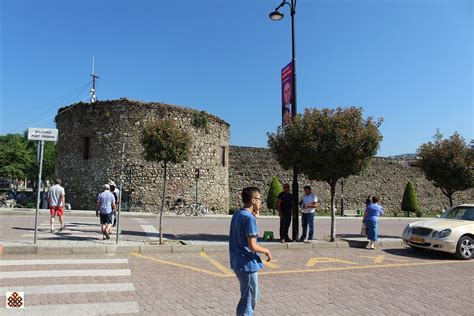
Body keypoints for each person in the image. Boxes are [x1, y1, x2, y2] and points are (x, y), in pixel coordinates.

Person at [229, 187, 272, 316]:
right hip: (247, 263)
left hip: (238, 261)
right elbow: (253, 245)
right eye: (259, 199)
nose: (260, 202)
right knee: (248, 300)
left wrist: (255, 214)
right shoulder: (249, 218)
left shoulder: (238, 213)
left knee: (252, 295)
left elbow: (246, 224)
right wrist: (266, 251)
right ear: (253, 200)